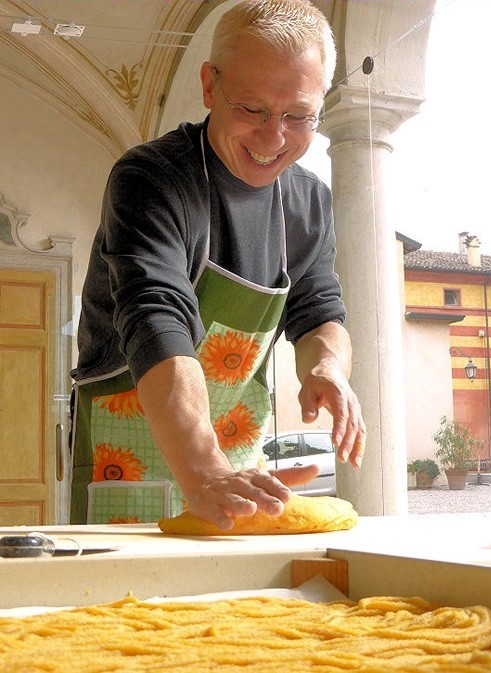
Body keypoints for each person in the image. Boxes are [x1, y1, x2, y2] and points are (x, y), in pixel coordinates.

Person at [70, 0, 366, 528]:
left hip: (236, 459)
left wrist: (326, 367)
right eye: (251, 110)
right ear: (210, 86)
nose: (274, 139)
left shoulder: (308, 202)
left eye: (298, 117)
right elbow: (156, 317)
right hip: (129, 457)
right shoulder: (151, 178)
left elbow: (319, 309)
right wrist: (202, 469)